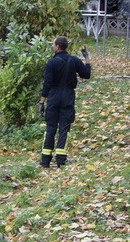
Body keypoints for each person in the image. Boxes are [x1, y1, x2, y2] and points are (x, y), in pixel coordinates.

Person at [39, 37, 91, 168]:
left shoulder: (51, 63)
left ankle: (45, 160)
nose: (52, 46)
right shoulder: (74, 60)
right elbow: (86, 74)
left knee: (50, 127)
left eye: (53, 44)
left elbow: (47, 84)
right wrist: (87, 58)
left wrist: (42, 102)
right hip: (68, 96)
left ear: (57, 46)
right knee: (64, 128)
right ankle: (61, 160)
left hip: (54, 97)